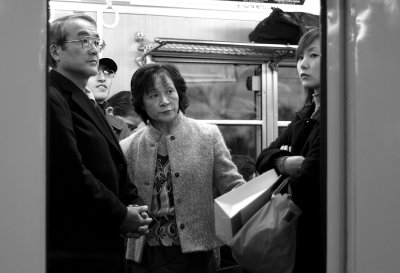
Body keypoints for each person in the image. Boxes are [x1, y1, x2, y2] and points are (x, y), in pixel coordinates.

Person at [47, 14, 152, 273]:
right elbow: (69, 170)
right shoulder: (52, 95)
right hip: (76, 247)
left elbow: (111, 160)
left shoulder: (89, 99)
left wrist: (132, 205)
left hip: (100, 241)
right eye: (84, 41)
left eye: (96, 41)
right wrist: (120, 214)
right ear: (56, 51)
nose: (93, 48)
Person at [119, 63, 246, 273]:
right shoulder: (128, 147)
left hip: (197, 253)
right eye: (153, 95)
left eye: (170, 91)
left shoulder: (208, 136)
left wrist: (261, 203)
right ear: (141, 102)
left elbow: (233, 186)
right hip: (145, 256)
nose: (165, 101)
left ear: (179, 92)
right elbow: (121, 199)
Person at [255, 28, 322, 273]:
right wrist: (285, 163)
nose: (303, 64)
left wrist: (280, 164)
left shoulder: (335, 116)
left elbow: (308, 182)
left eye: (314, 56)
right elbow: (262, 159)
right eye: (301, 57)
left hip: (318, 236)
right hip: (296, 234)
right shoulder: (305, 114)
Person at [87, 57, 132, 140]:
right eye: (94, 71)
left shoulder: (121, 126)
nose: (102, 78)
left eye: (107, 72)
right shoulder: (65, 114)